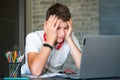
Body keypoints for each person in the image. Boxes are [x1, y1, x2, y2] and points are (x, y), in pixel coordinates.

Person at [21, 3, 82, 76]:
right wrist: (50, 40)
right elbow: (35, 71)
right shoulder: (33, 37)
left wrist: (69, 38)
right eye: (58, 28)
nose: (62, 33)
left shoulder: (68, 36)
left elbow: (83, 66)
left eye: (66, 28)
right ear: (47, 25)